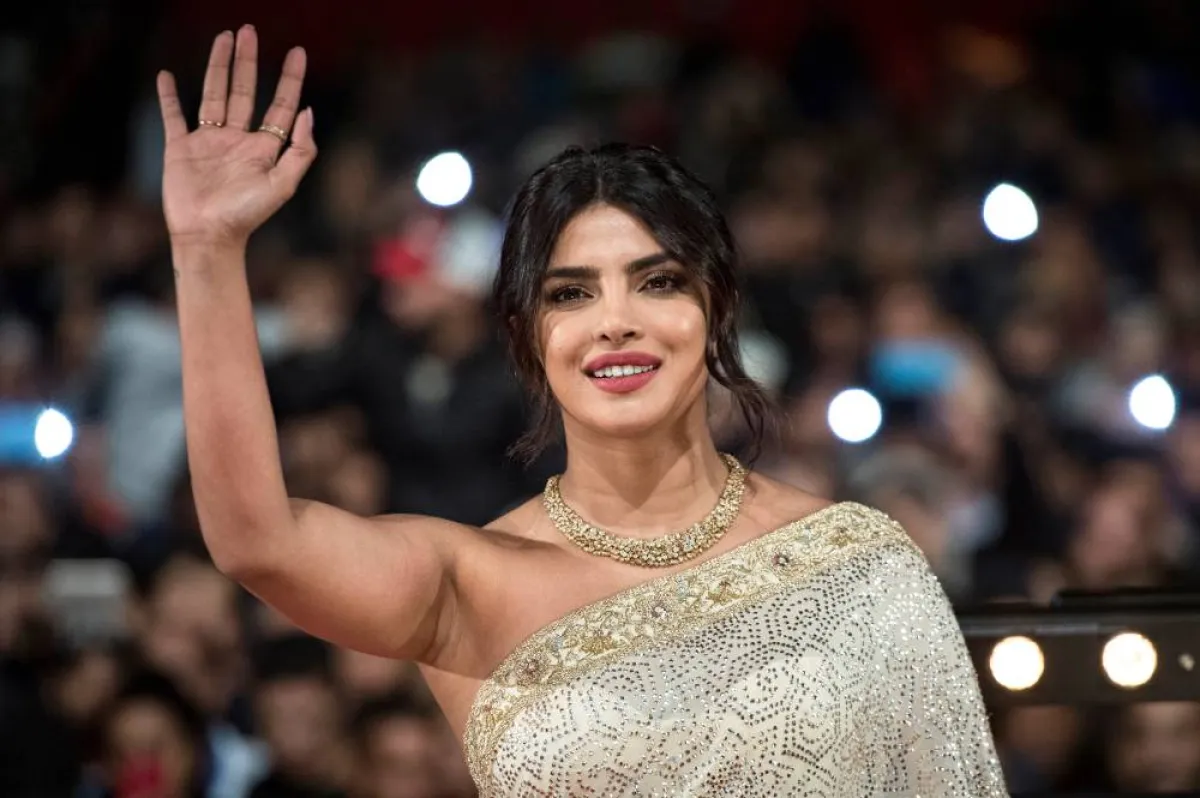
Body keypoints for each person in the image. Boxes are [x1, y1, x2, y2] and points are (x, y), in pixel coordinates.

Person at [155, 26, 1008, 796]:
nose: (615, 320)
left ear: (716, 306)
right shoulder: (470, 584)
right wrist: (206, 252)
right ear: (529, 335)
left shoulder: (855, 564)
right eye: (572, 293)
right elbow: (254, 539)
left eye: (658, 281)